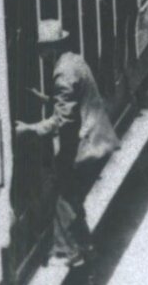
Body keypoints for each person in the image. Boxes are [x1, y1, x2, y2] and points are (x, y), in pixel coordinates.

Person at [15, 20, 119, 269]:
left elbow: (63, 119)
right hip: (99, 138)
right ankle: (86, 247)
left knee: (62, 197)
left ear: (51, 48)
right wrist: (45, 98)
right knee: (71, 196)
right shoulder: (74, 60)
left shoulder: (62, 73)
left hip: (89, 144)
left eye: (42, 49)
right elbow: (72, 98)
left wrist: (29, 128)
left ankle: (69, 252)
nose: (40, 55)